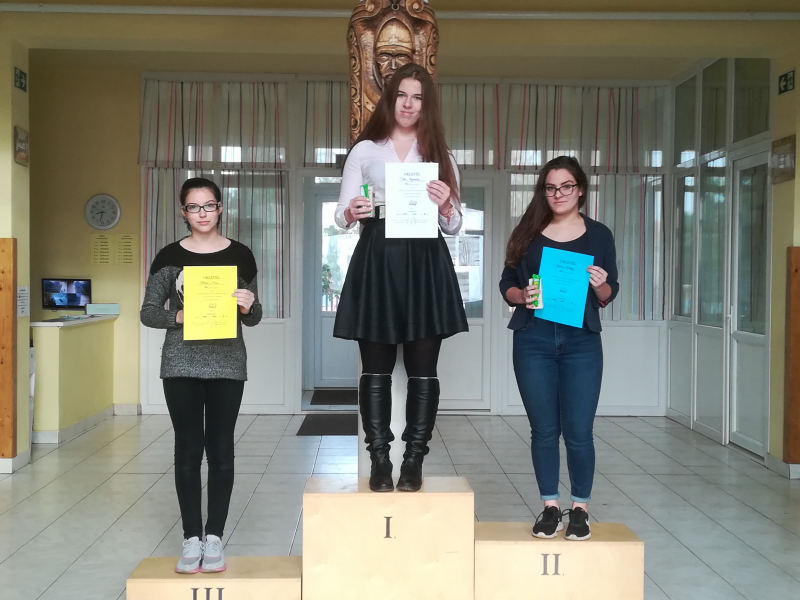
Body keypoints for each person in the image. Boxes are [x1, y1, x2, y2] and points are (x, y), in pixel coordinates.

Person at [333, 62, 468, 493]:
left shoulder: (441, 155)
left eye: (418, 98)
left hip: (425, 261)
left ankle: (413, 461)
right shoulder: (364, 151)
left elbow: (454, 224)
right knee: (375, 368)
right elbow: (340, 215)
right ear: (390, 100)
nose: (409, 105)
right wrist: (350, 211)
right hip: (377, 256)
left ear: (427, 105)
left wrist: (446, 206)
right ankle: (379, 459)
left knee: (423, 368)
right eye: (402, 95)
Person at [140, 177, 262, 573]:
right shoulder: (169, 256)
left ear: (220, 207)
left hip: (228, 363)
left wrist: (249, 305)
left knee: (221, 450)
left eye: (209, 205)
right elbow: (148, 312)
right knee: (188, 450)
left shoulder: (240, 255)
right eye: (194, 207)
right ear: (184, 212)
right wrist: (177, 316)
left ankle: (215, 538)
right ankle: (191, 538)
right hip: (181, 364)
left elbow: (254, 316)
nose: (202, 213)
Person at [499, 156, 618, 541]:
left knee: (580, 431)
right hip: (533, 339)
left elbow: (609, 292)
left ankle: (580, 510)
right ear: (543, 191)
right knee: (544, 430)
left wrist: (600, 284)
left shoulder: (599, 235)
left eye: (566, 186)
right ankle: (550, 506)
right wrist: (522, 296)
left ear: (580, 189)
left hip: (581, 341)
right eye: (551, 188)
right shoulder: (527, 231)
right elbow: (506, 283)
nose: (558, 194)